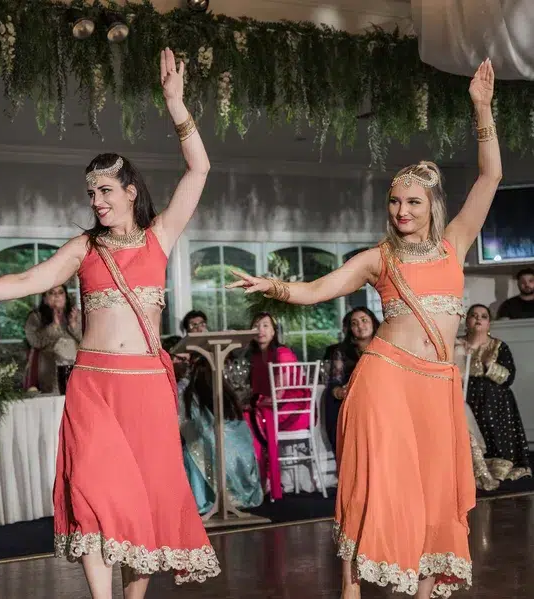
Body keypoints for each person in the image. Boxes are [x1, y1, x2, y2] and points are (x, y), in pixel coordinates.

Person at [0, 48, 219, 598]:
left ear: (130, 191)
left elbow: (199, 169)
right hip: (94, 385)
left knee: (141, 501)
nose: (96, 200)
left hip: (147, 385)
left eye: (105, 190)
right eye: (90, 193)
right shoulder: (84, 248)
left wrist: (177, 105)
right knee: (95, 492)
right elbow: (29, 280)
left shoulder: (160, 238)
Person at [227, 59, 500, 599]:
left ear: (431, 206)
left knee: (434, 491)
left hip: (438, 384)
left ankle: (423, 590)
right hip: (387, 378)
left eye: (412, 202)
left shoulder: (456, 244)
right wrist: (273, 286)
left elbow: (490, 176)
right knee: (377, 485)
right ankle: (352, 590)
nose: (401, 209)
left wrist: (482, 109)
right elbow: (319, 289)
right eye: (394, 201)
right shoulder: (379, 257)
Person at [455, 304, 530, 482]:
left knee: (491, 426)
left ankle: (494, 467)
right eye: (473, 315)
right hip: (464, 397)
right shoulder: (457, 344)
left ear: (489, 323)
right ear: (467, 321)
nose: (478, 319)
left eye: (483, 316)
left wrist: (490, 365)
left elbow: (508, 377)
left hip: (494, 402)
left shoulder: (498, 346)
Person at [178, 356, 262, 514]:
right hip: (238, 457)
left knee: (191, 451)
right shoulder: (227, 393)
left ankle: (203, 498)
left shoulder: (188, 394)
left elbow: (185, 427)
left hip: (208, 455)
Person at [243, 312, 310, 500]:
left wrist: (255, 402)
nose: (260, 330)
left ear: (274, 331)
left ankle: (266, 478)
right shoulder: (255, 357)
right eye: (256, 326)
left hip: (293, 410)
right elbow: (256, 392)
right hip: (271, 409)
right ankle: (257, 478)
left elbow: (279, 393)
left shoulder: (282, 353)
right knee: (245, 416)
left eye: (265, 326)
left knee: (250, 418)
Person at [324, 307, 379, 453]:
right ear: (350, 330)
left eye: (364, 320)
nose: (360, 326)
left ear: (373, 323)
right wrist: (341, 392)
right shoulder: (341, 352)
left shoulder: (384, 348)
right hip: (353, 404)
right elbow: (334, 384)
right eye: (354, 323)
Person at [23, 285, 82, 393]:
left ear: (66, 296)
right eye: (51, 293)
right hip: (49, 370)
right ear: (45, 299)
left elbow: (88, 341)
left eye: (60, 292)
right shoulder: (35, 317)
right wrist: (54, 326)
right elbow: (35, 342)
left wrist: (73, 325)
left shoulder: (77, 315)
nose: (57, 296)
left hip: (76, 369)